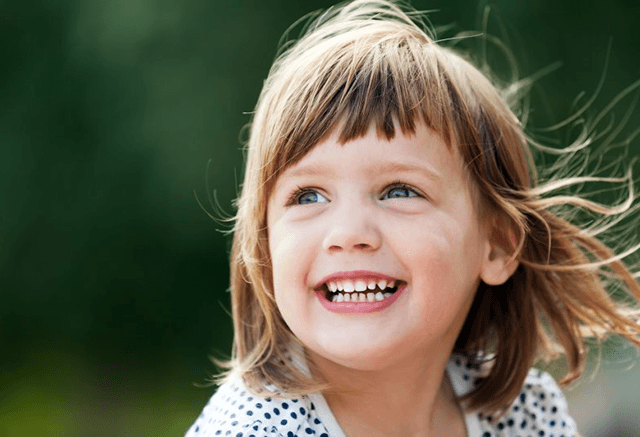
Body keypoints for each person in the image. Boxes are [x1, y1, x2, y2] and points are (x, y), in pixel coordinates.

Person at [185, 1, 640, 435]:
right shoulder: (251, 431)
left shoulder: (523, 415)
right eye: (307, 196)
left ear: (497, 244)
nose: (348, 234)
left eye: (399, 190)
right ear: (263, 246)